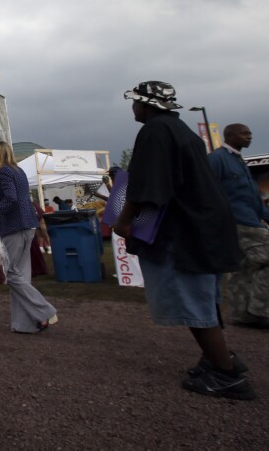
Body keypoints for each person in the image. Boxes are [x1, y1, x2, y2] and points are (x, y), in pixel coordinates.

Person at [114, 81, 253, 400]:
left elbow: (147, 184)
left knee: (193, 299)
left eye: (135, 103)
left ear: (146, 105)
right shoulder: (182, 130)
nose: (133, 108)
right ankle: (218, 357)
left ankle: (225, 375)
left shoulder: (154, 131)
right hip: (207, 226)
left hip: (187, 230)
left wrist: (124, 222)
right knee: (205, 299)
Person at [0, 142, 57, 333]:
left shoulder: (4, 173)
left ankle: (44, 310)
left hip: (14, 227)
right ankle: (24, 324)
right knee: (22, 276)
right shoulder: (20, 172)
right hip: (28, 225)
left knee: (9, 273)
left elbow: (10, 199)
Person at [207, 123, 269, 329]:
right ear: (230, 136)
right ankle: (260, 310)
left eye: (250, 133)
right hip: (239, 223)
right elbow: (207, 190)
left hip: (249, 220)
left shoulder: (237, 160)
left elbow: (252, 197)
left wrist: (266, 215)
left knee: (242, 268)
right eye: (244, 133)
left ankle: (243, 315)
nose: (249, 137)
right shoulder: (218, 159)